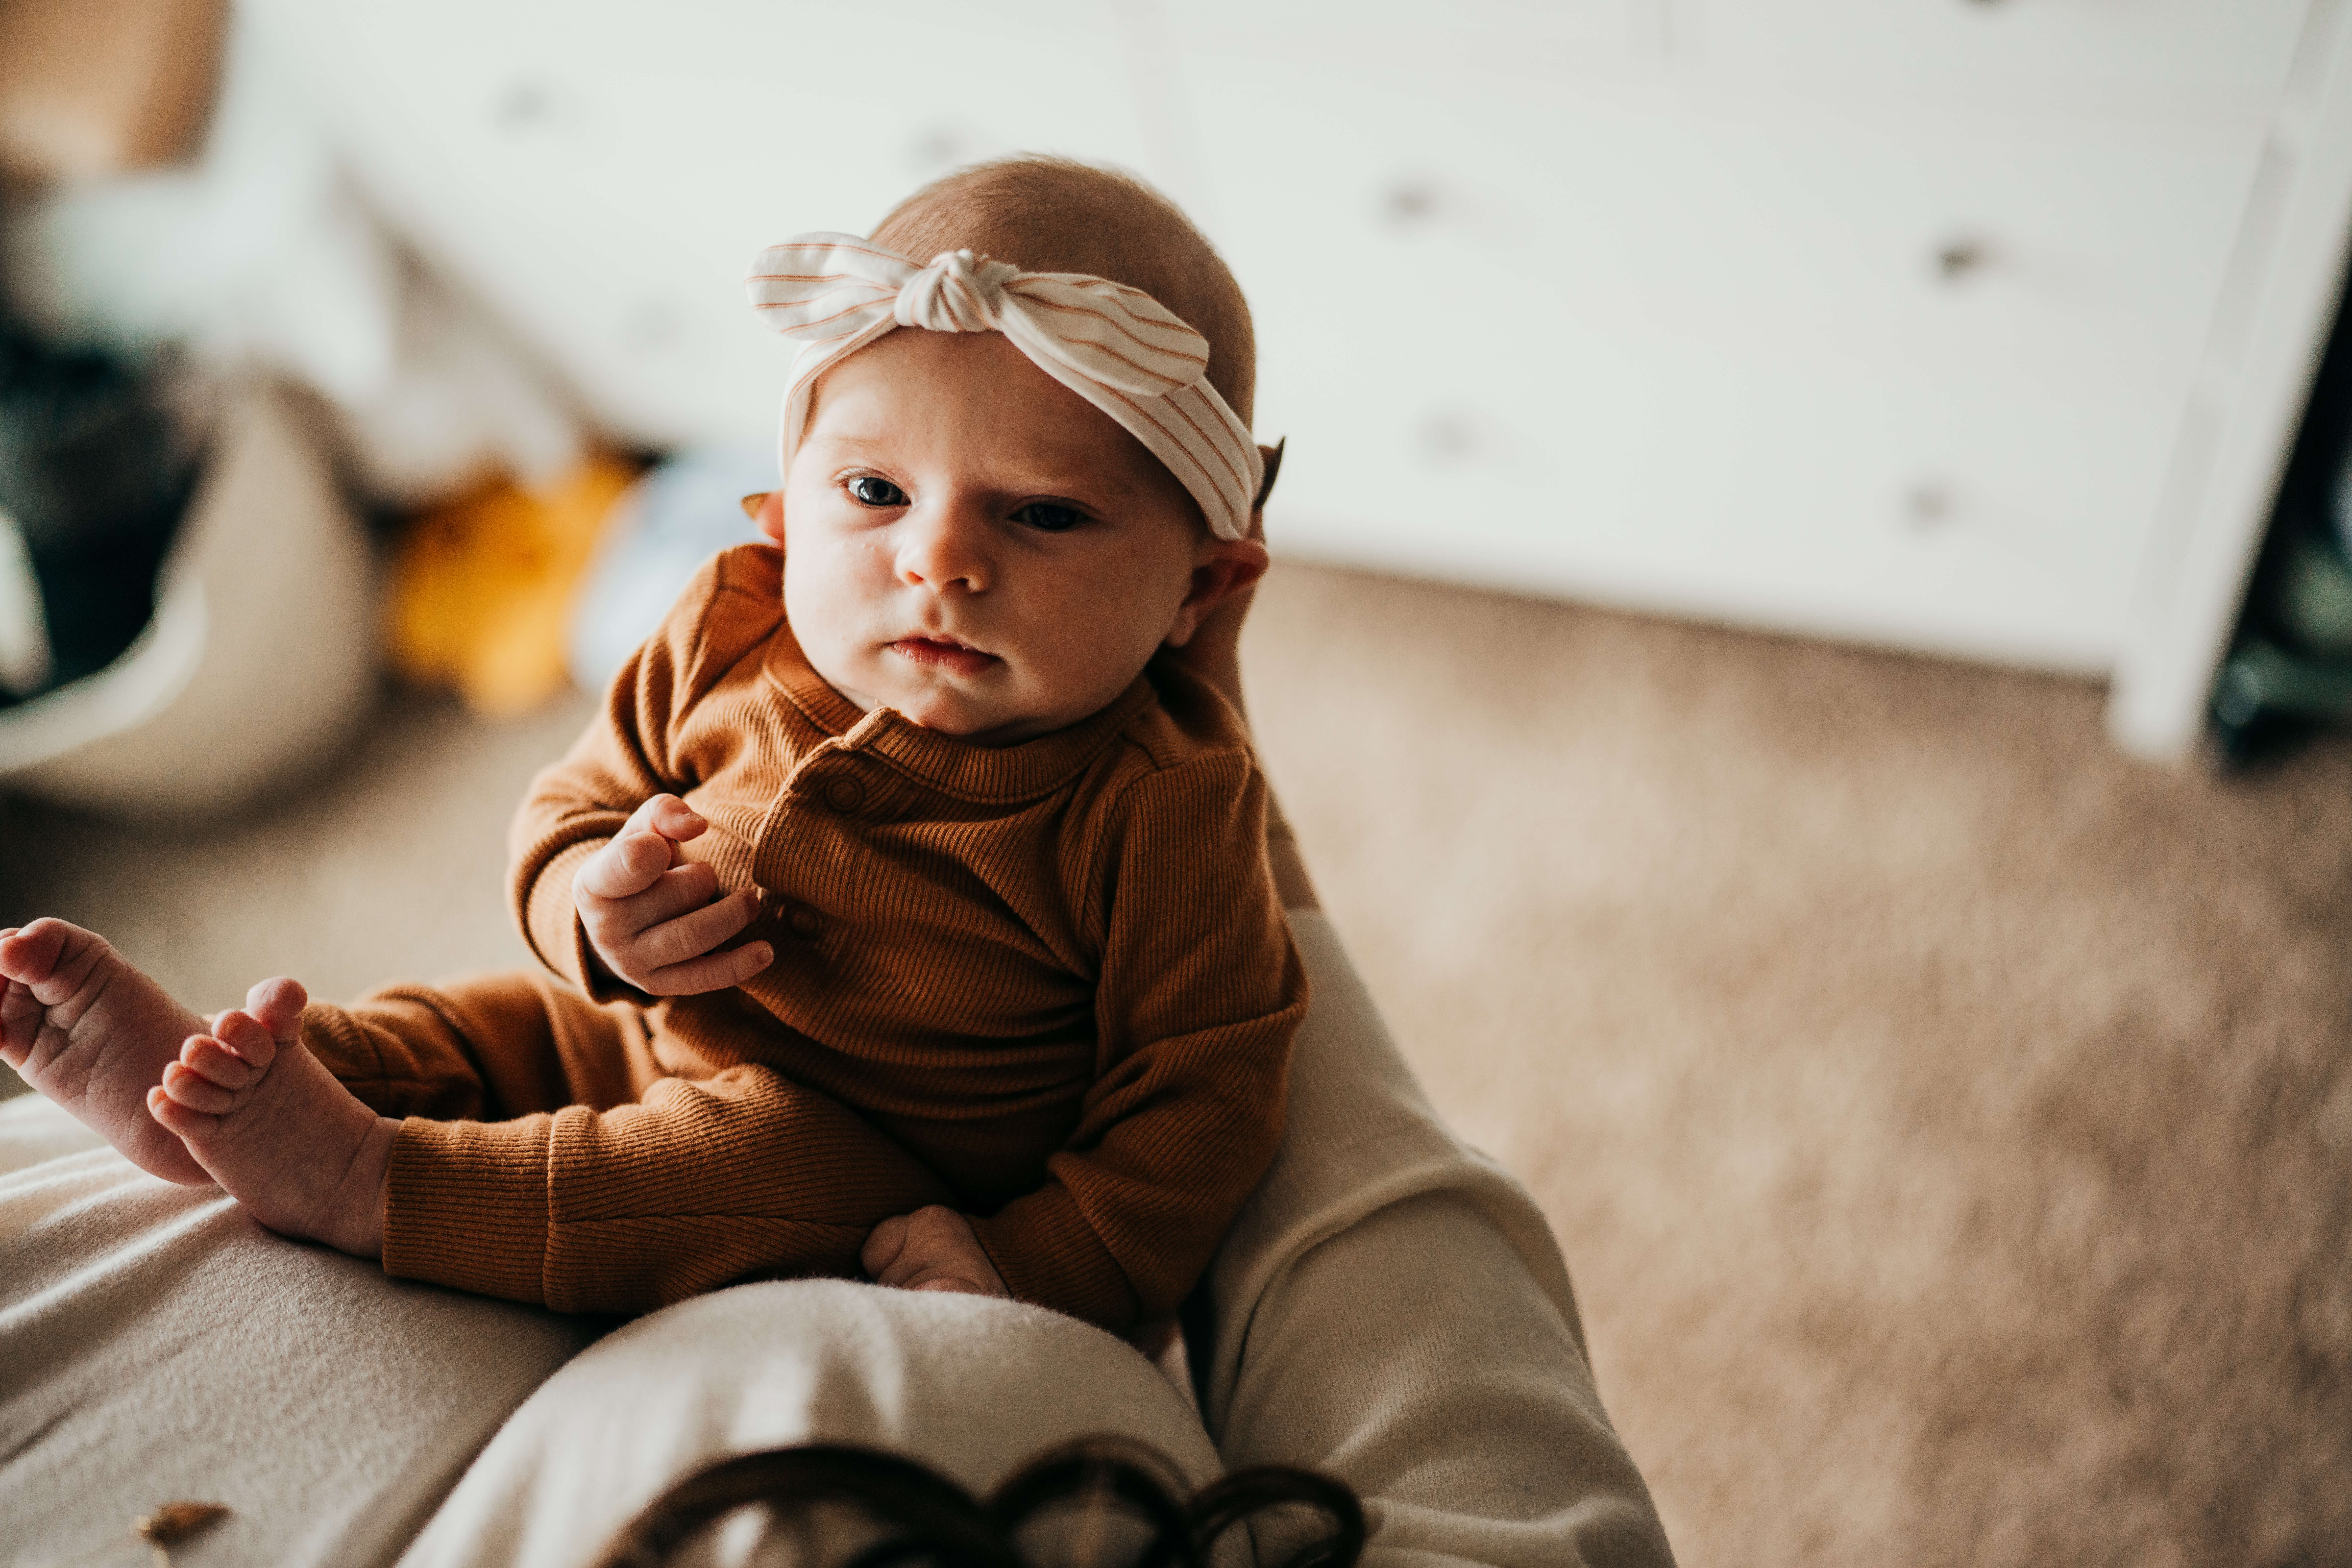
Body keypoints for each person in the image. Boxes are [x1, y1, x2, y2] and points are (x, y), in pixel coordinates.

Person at [0, 157, 1316, 1334]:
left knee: (715, 1170)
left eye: (1043, 515)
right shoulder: (727, 620)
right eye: (875, 493)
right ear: (785, 509)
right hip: (632, 1024)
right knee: (475, 1029)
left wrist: (1044, 1260)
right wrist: (591, 903)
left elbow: (1204, 1093)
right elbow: (574, 799)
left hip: (871, 1153)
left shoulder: (1165, 797)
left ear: (1199, 590)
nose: (938, 561)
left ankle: (372, 1181)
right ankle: (219, 1090)